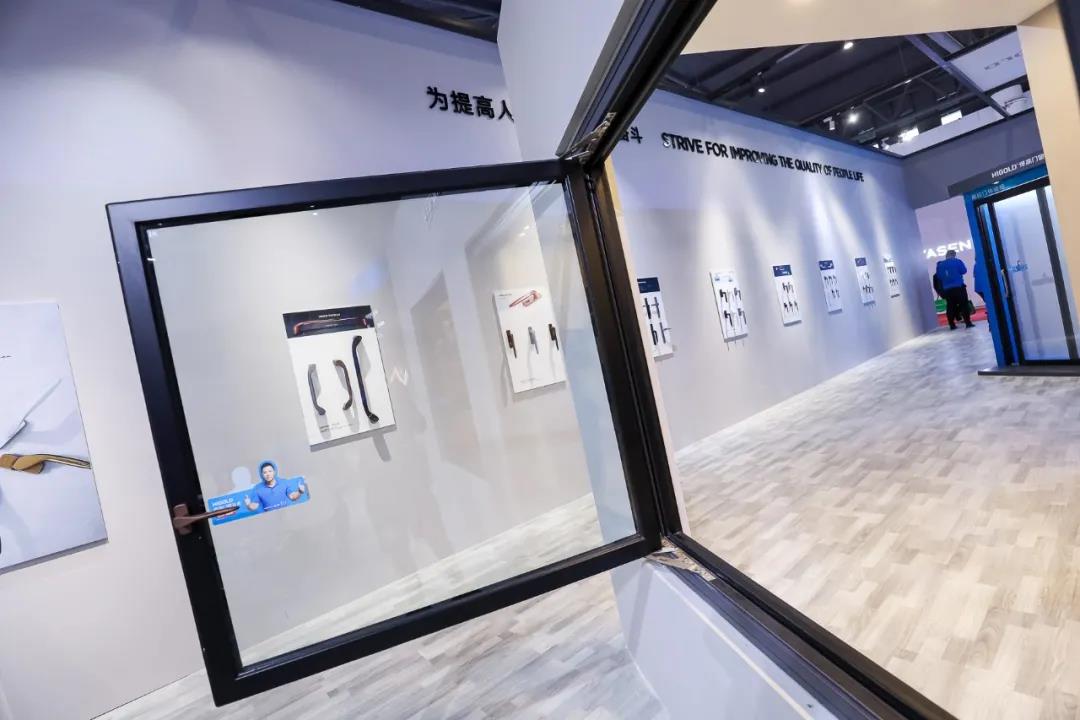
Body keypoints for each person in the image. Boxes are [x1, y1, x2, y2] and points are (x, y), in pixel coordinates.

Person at [935, 250, 975, 329]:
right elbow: (964, 271)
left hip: (947, 289)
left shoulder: (940, 265)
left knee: (950, 306)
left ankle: (952, 325)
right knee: (964, 305)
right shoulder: (957, 261)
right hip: (959, 287)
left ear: (946, 255)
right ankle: (968, 323)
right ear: (954, 255)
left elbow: (939, 276)